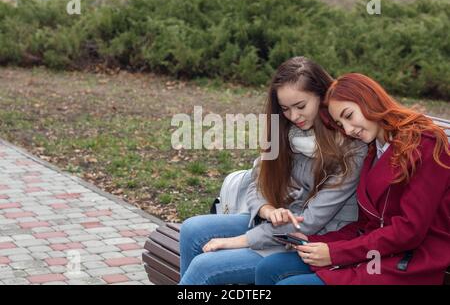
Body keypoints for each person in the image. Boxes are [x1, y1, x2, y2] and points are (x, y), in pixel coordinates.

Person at [179, 57, 367, 285]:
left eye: (301, 106)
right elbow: (259, 177)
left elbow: (309, 222)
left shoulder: (350, 149)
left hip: (313, 236)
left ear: (323, 96)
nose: (294, 116)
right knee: (191, 230)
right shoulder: (287, 132)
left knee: (204, 268)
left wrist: (240, 240)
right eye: (285, 109)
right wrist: (266, 209)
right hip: (278, 223)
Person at [255, 73, 450, 285]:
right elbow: (366, 224)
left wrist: (335, 252)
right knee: (270, 268)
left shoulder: (426, 145)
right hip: (375, 252)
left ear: (370, 100)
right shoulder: (373, 150)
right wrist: (315, 240)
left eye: (349, 115)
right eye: (340, 123)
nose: (348, 130)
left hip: (410, 261)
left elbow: (409, 232)